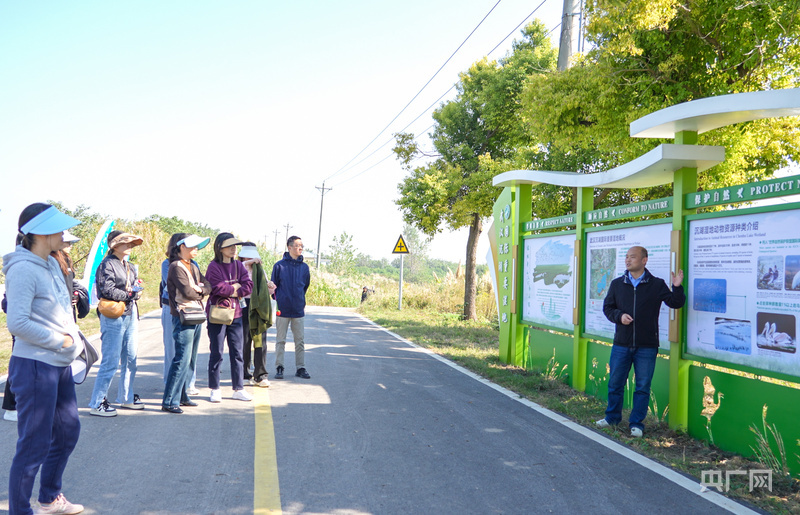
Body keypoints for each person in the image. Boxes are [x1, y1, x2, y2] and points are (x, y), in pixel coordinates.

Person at [4, 202, 85, 514]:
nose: (64, 233)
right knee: (33, 444)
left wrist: (72, 339)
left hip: (59, 364)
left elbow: (61, 311)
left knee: (68, 430)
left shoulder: (51, 263)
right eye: (58, 227)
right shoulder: (23, 269)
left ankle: (49, 498)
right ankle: (20, 510)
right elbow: (17, 323)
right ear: (39, 232)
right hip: (35, 365)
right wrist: (60, 340)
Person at [597, 246, 685, 438]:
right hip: (621, 343)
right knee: (615, 383)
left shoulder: (656, 284)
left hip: (647, 345)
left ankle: (636, 424)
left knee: (642, 386)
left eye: (633, 257)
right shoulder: (617, 284)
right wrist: (619, 317)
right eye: (626, 257)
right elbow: (608, 308)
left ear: (644, 260)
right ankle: (611, 417)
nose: (628, 260)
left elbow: (676, 303)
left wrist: (677, 287)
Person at [88, 231, 144, 417]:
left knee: (130, 357)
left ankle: (126, 397)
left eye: (131, 243)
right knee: (110, 360)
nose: (129, 246)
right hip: (113, 315)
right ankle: (97, 402)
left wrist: (134, 291)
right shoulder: (106, 264)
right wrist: (130, 294)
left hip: (129, 313)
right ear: (114, 245)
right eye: (125, 243)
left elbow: (134, 288)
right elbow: (107, 290)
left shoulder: (129, 265)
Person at [162, 234, 212, 413]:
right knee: (181, 358)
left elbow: (208, 285)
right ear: (182, 247)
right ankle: (169, 401)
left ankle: (182, 396)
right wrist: (201, 292)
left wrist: (202, 289)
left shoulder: (192, 266)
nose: (196, 250)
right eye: (192, 247)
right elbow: (187, 292)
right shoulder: (175, 266)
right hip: (183, 315)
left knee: (190, 358)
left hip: (195, 315)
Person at [205, 233, 253, 402]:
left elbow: (248, 286)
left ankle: (238, 388)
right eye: (230, 246)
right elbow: (218, 288)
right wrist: (236, 287)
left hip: (237, 315)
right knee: (216, 352)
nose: (234, 249)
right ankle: (215, 388)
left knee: (237, 352)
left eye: (235, 246)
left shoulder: (239, 266)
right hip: (218, 314)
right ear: (220, 248)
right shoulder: (213, 266)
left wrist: (233, 288)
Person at [160, 233, 199, 395]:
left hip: (192, 309)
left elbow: (201, 286)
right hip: (172, 309)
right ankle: (171, 384)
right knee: (172, 349)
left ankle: (189, 384)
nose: (195, 249)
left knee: (190, 350)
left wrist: (197, 289)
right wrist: (195, 288)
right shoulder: (168, 264)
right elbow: (182, 287)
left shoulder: (194, 263)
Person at [271, 235, 311, 380]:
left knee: (299, 341)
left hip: (298, 310)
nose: (300, 248)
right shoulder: (279, 266)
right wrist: (280, 300)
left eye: (301, 246)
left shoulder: (304, 267)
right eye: (297, 245)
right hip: (282, 310)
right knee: (280, 340)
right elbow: (273, 287)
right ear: (289, 247)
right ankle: (279, 367)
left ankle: (300, 367)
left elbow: (305, 286)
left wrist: (300, 300)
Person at [238, 243, 275, 387]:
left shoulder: (259, 269)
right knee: (244, 341)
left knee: (260, 342)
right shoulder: (238, 267)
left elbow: (267, 291)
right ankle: (244, 374)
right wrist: (248, 262)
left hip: (258, 308)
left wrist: (270, 286)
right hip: (243, 306)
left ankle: (261, 375)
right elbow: (238, 271)